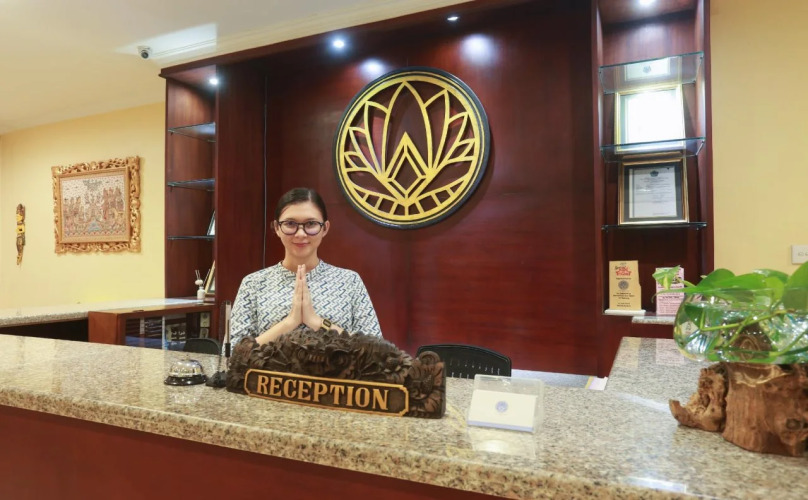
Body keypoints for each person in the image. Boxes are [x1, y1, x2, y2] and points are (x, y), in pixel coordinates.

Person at [229, 187, 382, 348]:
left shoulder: (349, 281)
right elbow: (234, 352)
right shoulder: (253, 283)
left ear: (325, 228)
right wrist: (289, 322)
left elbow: (376, 350)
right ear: (277, 228)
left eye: (311, 224)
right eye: (290, 224)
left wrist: (317, 322)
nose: (301, 234)